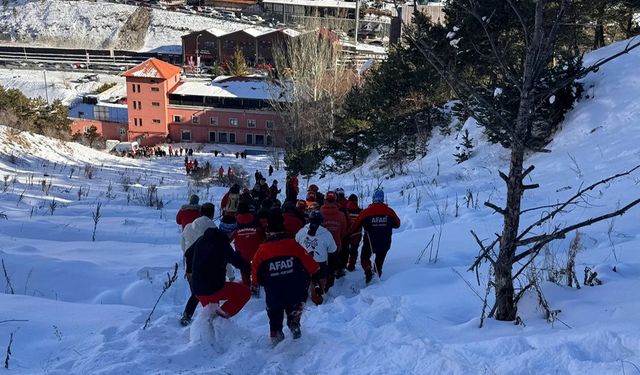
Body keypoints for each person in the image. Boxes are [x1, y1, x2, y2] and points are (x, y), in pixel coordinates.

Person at [252, 211, 319, 346]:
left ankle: (276, 338)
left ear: (268, 231)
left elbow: (256, 279)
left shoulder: (261, 252)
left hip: (274, 295)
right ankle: (295, 328)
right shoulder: (295, 246)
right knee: (294, 311)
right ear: (283, 227)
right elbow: (313, 267)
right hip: (296, 292)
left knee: (275, 319)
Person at [186, 223, 251, 319]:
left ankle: (210, 326)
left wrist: (190, 271)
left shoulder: (202, 239)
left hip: (197, 289)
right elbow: (237, 262)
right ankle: (220, 318)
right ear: (232, 232)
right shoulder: (222, 243)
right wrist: (253, 269)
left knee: (211, 313)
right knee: (245, 293)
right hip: (213, 289)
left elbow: (188, 253)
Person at [348, 189, 401, 284]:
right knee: (379, 263)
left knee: (364, 258)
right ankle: (376, 281)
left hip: (370, 242)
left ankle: (368, 271)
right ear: (383, 199)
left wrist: (347, 234)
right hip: (385, 242)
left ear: (373, 199)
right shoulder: (389, 211)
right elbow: (397, 224)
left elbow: (355, 226)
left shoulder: (366, 212)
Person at [180, 203, 216, 326]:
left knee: (196, 293)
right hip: (206, 266)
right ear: (212, 214)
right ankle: (208, 320)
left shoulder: (188, 227)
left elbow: (183, 247)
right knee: (205, 293)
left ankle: (188, 315)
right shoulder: (213, 229)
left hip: (189, 267)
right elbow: (219, 251)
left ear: (200, 212)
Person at [295, 211, 337, 305]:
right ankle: (320, 306)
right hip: (319, 266)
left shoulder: (302, 231)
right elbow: (333, 250)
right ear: (321, 221)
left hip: (304, 264)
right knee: (317, 293)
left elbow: (295, 244)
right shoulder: (326, 234)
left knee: (301, 289)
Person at [232, 202, 266, 287]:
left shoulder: (235, 222)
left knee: (244, 269)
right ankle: (256, 283)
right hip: (256, 251)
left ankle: (246, 284)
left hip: (241, 253)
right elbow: (262, 237)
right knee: (256, 267)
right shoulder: (255, 220)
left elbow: (230, 237)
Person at [319, 191, 349, 286]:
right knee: (333, 265)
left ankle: (323, 284)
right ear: (335, 200)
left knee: (323, 266)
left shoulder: (319, 213)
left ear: (325, 200)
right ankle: (332, 281)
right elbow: (344, 231)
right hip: (336, 245)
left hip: (321, 246)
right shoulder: (341, 215)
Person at [345, 194, 363, 272]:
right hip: (357, 234)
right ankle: (351, 265)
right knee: (354, 250)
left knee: (345, 250)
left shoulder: (345, 211)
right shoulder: (361, 211)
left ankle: (344, 264)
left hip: (346, 234)